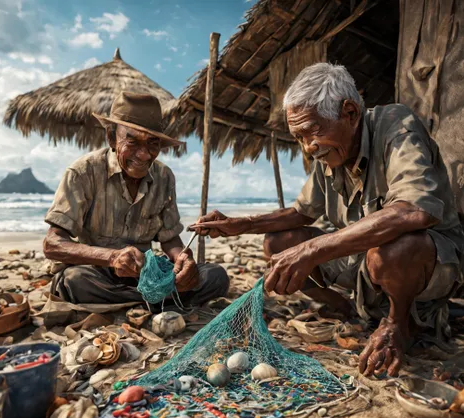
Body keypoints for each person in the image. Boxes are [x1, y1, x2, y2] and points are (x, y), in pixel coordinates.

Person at [189, 63, 464, 377]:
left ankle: (398, 323)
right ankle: (344, 307)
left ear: (349, 112)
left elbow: (413, 210)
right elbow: (300, 213)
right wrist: (242, 225)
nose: (308, 146)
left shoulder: (394, 123)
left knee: (393, 249)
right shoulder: (328, 154)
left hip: (428, 265)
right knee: (280, 243)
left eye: (312, 130)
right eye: (299, 137)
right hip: (365, 264)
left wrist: (311, 251)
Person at [43, 92, 229, 308]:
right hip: (97, 270)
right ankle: (158, 301)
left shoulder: (164, 176)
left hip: (145, 273)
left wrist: (182, 260)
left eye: (153, 143)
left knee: (215, 276)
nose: (144, 155)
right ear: (111, 137)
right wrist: (112, 258)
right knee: (72, 281)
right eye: (132, 140)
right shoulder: (83, 172)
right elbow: (52, 244)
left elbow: (169, 238)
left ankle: (143, 300)